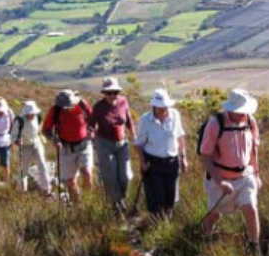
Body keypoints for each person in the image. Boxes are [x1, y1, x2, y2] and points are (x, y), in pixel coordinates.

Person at [199, 88, 261, 253]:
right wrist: (220, 181)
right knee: (215, 214)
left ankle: (254, 247)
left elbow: (254, 149)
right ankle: (205, 239)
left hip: (245, 177)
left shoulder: (250, 121)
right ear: (230, 109)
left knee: (250, 208)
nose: (243, 114)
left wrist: (256, 174)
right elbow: (205, 156)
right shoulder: (215, 124)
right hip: (220, 180)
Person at [134, 89, 188, 219]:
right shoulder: (145, 120)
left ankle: (166, 223)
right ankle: (156, 224)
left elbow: (180, 137)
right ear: (154, 106)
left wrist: (183, 157)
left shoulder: (175, 115)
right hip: (153, 163)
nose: (163, 109)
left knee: (171, 197)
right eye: (160, 107)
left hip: (172, 162)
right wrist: (142, 163)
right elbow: (138, 144)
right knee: (156, 198)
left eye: (165, 106)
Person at [90, 77, 137, 216]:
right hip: (104, 143)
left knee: (126, 176)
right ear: (104, 93)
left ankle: (120, 199)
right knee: (110, 176)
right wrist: (90, 135)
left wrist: (134, 135)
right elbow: (91, 125)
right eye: (109, 93)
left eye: (115, 92)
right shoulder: (98, 107)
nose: (112, 95)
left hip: (122, 143)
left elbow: (128, 120)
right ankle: (116, 205)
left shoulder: (123, 102)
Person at [42, 90, 93, 203]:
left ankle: (88, 201)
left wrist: (91, 130)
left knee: (87, 173)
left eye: (69, 106)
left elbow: (92, 120)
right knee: (70, 180)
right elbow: (46, 130)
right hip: (65, 147)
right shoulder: (55, 110)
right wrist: (55, 140)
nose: (67, 109)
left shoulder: (82, 105)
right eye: (64, 107)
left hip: (84, 144)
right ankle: (78, 204)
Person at [11, 100, 52, 196]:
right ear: (26, 113)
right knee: (23, 169)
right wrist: (16, 141)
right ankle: (21, 191)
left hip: (37, 144)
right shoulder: (19, 120)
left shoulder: (38, 117)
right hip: (25, 147)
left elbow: (39, 129)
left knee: (42, 165)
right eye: (30, 113)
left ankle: (46, 190)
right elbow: (13, 136)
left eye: (33, 113)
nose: (32, 115)